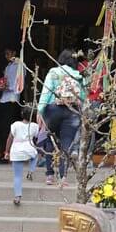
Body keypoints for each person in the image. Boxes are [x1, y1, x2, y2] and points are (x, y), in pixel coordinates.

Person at [38, 49, 85, 187]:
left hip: (53, 109)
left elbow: (46, 91)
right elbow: (82, 96)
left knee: (50, 140)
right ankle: (63, 177)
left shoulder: (54, 72)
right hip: (72, 110)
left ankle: (49, 174)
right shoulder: (79, 75)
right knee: (66, 143)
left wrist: (40, 110)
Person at [6, 115, 40, 206]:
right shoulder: (34, 126)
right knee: (36, 155)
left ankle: (17, 197)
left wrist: (6, 152)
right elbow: (38, 136)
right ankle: (31, 171)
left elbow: (10, 138)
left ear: (22, 114)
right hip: (29, 148)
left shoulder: (15, 125)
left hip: (16, 150)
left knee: (17, 176)